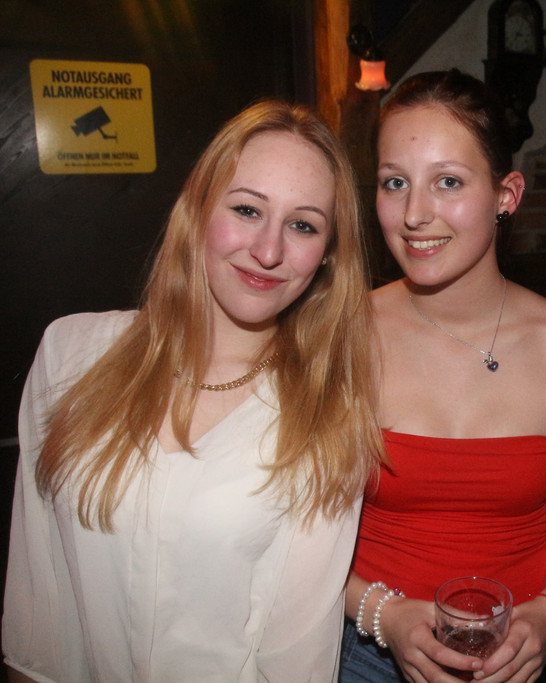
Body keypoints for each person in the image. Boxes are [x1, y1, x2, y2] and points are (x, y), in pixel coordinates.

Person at [2, 100, 384, 682]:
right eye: (247, 209)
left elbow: (296, 657)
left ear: (328, 254)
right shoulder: (70, 353)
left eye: (303, 225)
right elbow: (38, 598)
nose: (269, 251)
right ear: (198, 207)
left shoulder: (324, 415)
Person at [340, 69, 546, 683]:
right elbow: (292, 531)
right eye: (395, 183)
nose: (415, 214)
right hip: (365, 652)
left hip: (514, 658)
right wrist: (384, 615)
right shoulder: (341, 336)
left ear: (506, 194)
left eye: (448, 182)